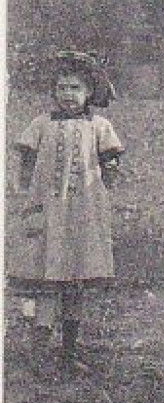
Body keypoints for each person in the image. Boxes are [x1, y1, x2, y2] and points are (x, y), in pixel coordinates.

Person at [11, 51, 125, 372]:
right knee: (47, 277)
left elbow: (110, 161)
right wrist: (24, 188)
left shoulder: (99, 126)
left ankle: (70, 351)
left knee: (75, 278)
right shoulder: (41, 124)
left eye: (74, 88)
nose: (67, 95)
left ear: (88, 92)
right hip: (48, 214)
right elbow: (26, 159)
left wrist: (111, 166)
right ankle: (40, 347)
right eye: (62, 88)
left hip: (82, 216)